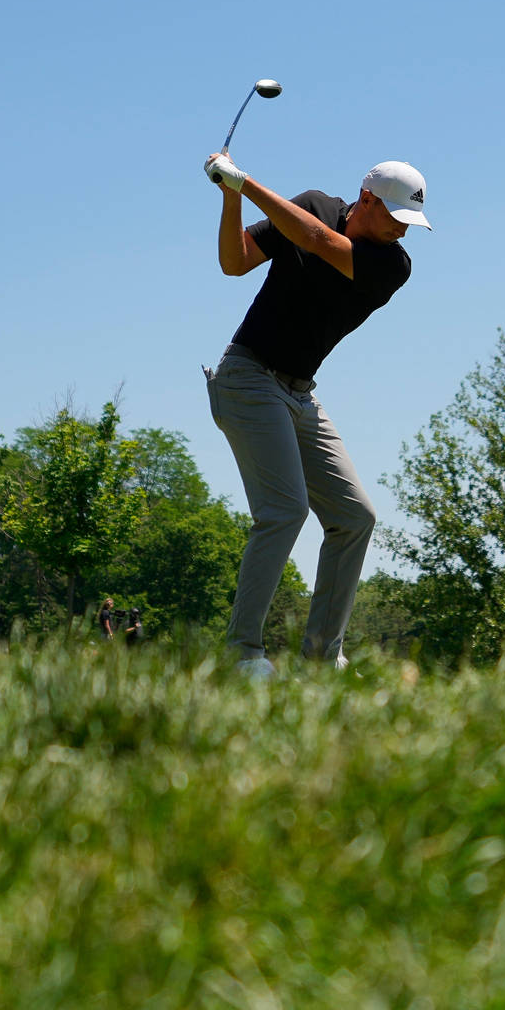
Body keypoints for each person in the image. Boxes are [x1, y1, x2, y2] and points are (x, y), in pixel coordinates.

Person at [200, 150, 431, 677]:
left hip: (300, 396)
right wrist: (231, 197)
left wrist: (246, 181)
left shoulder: (394, 265)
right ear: (367, 200)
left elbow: (319, 241)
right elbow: (234, 262)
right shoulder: (312, 205)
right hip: (247, 380)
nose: (404, 230)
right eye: (398, 217)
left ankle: (320, 660)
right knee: (285, 511)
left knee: (355, 517)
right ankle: (242, 655)